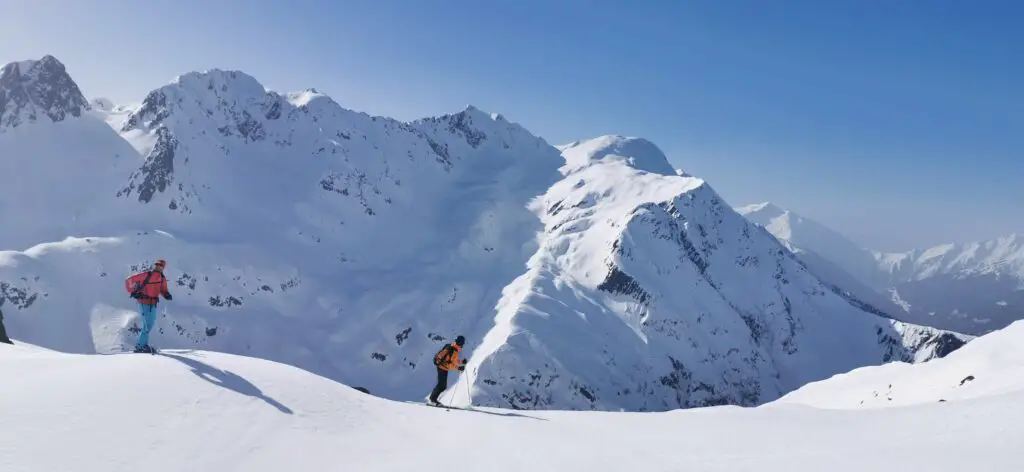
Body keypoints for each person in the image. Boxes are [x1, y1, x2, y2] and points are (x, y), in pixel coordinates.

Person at [124, 259, 173, 353]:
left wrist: (167, 295)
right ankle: (140, 346)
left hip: (153, 304)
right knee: (146, 325)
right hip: (143, 302)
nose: (158, 266)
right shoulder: (146, 275)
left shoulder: (162, 278)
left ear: (163, 268)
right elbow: (129, 280)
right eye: (157, 264)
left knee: (150, 324)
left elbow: (163, 289)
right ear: (155, 265)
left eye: (161, 265)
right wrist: (133, 292)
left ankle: (142, 345)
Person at [428, 335, 468, 406]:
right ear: (460, 343)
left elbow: (453, 360)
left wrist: (461, 362)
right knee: (441, 385)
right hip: (442, 367)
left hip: (443, 368)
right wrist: (458, 368)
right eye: (462, 343)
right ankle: (432, 400)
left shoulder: (454, 348)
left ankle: (432, 399)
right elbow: (449, 364)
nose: (463, 345)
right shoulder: (452, 349)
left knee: (442, 385)